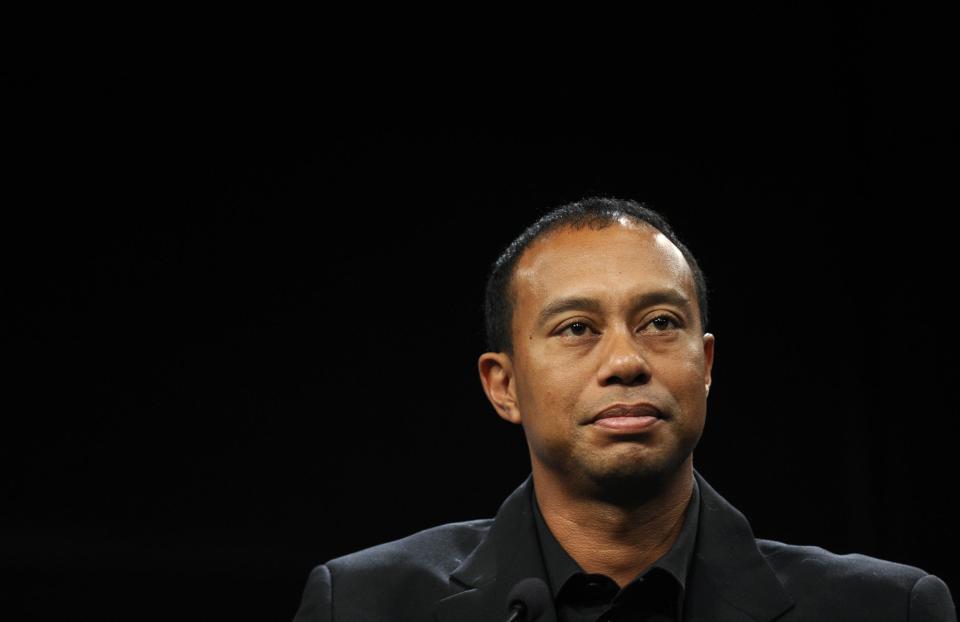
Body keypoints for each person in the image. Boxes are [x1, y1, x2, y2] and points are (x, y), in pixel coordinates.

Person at [292, 197, 956, 621]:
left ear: (708, 367)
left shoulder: (882, 608)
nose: (626, 361)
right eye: (577, 328)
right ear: (504, 386)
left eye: (661, 321)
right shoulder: (362, 604)